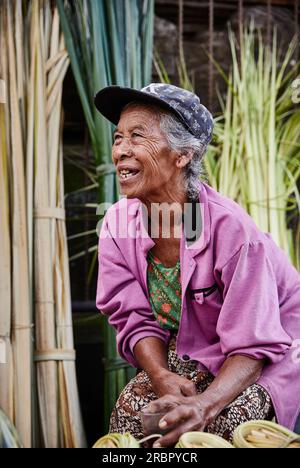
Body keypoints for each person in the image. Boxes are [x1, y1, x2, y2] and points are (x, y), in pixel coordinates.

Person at [95, 83, 300, 447]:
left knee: (226, 426)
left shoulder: (228, 228)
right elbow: (132, 317)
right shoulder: (118, 224)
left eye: (137, 136)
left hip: (273, 345)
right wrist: (161, 375)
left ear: (182, 155)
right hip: (199, 343)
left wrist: (203, 405)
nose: (121, 150)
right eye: (118, 137)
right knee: (133, 415)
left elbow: (253, 343)